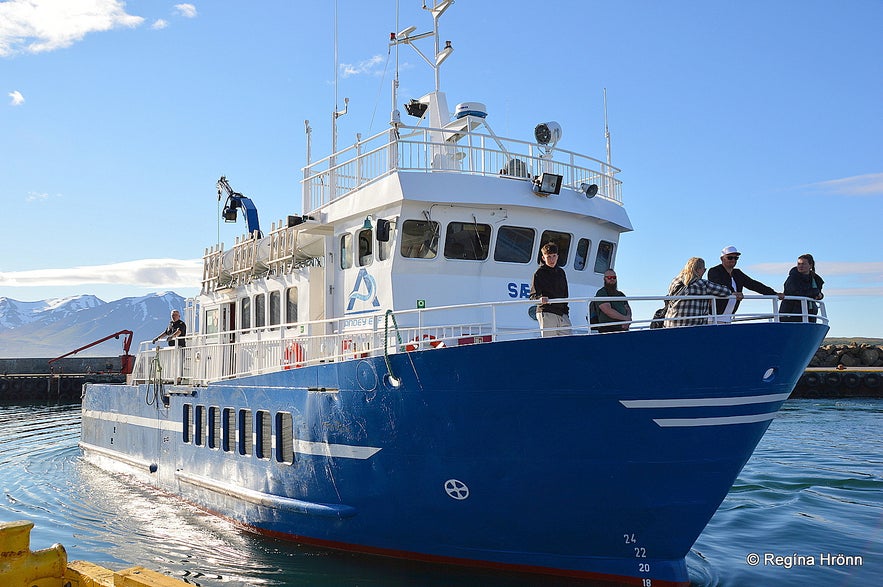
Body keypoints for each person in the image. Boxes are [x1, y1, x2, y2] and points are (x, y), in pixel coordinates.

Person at [707, 245, 782, 322]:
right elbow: (720, 284)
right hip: (713, 317)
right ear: (722, 258)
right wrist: (732, 293)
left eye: (736, 258)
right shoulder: (714, 271)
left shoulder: (738, 273)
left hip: (728, 318)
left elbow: (754, 285)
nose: (733, 260)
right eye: (730, 257)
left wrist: (774, 293)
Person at [664, 257, 735, 327]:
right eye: (704, 269)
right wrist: (709, 294)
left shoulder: (675, 281)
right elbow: (726, 291)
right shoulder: (702, 284)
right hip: (694, 327)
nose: (704, 271)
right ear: (698, 270)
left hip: (670, 324)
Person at [530, 242, 571, 337]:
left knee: (568, 341)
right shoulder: (539, 273)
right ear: (543, 258)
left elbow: (565, 294)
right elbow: (533, 295)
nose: (552, 259)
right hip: (547, 311)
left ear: (557, 256)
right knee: (550, 343)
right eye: (548, 257)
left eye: (554, 256)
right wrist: (540, 299)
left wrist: (566, 313)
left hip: (562, 313)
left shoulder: (561, 272)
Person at [779, 253, 824, 322]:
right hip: (791, 314)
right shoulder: (792, 278)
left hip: (810, 314)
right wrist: (815, 292)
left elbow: (818, 292)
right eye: (799, 264)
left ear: (810, 265)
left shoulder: (815, 280)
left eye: (803, 264)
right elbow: (797, 293)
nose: (800, 266)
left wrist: (820, 295)